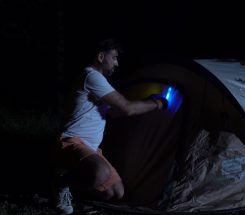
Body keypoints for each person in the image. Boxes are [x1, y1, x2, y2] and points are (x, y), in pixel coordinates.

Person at [52, 38, 168, 214]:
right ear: (100, 56)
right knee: (100, 173)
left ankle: (77, 181)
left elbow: (115, 112)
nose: (117, 63)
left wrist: (140, 108)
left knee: (116, 192)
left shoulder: (97, 81)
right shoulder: (91, 76)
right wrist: (157, 104)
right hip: (71, 142)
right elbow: (127, 108)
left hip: (91, 148)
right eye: (114, 57)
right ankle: (61, 183)